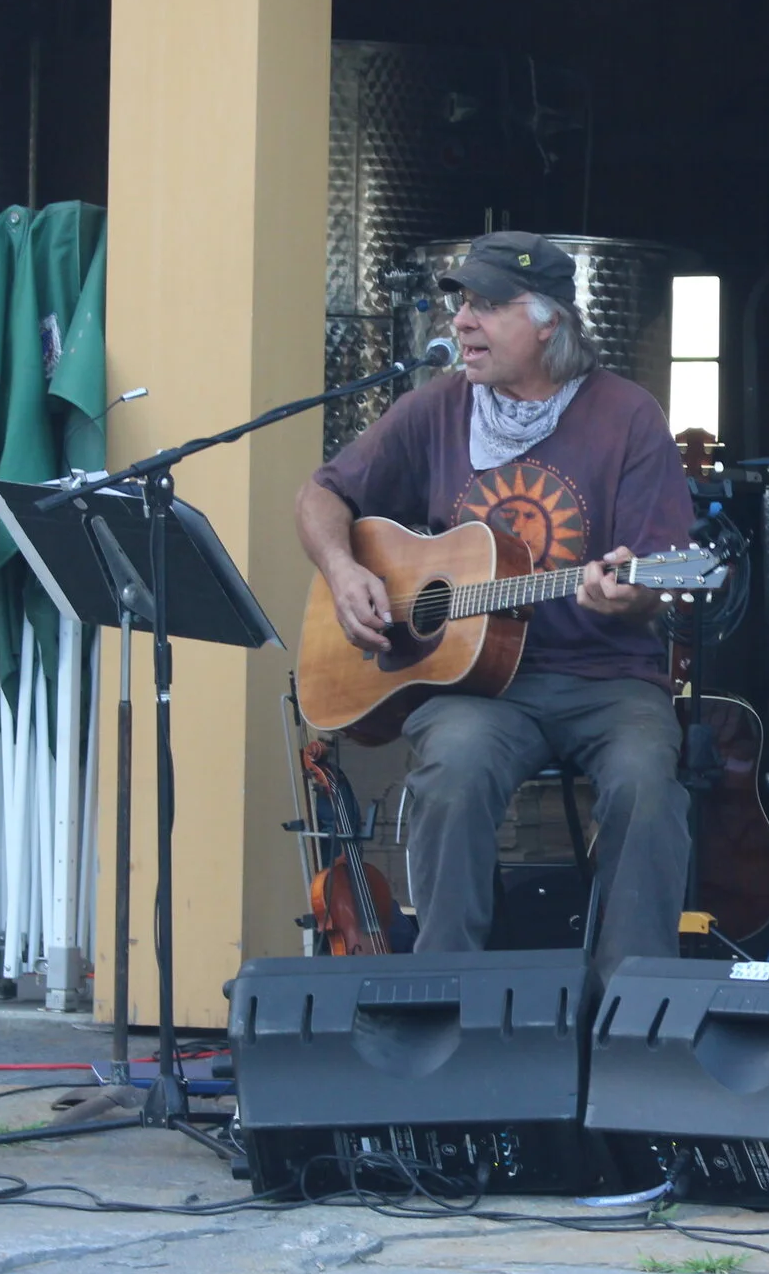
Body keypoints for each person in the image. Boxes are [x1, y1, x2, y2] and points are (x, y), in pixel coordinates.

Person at [293, 231, 693, 973]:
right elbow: (321, 494)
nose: (462, 322)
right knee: (453, 767)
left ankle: (632, 1005)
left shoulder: (627, 416)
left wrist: (630, 596)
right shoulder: (435, 409)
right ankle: (452, 997)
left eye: (488, 305)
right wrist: (345, 570)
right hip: (476, 685)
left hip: (607, 677)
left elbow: (657, 580)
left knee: (645, 782)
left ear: (549, 323)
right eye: (461, 304)